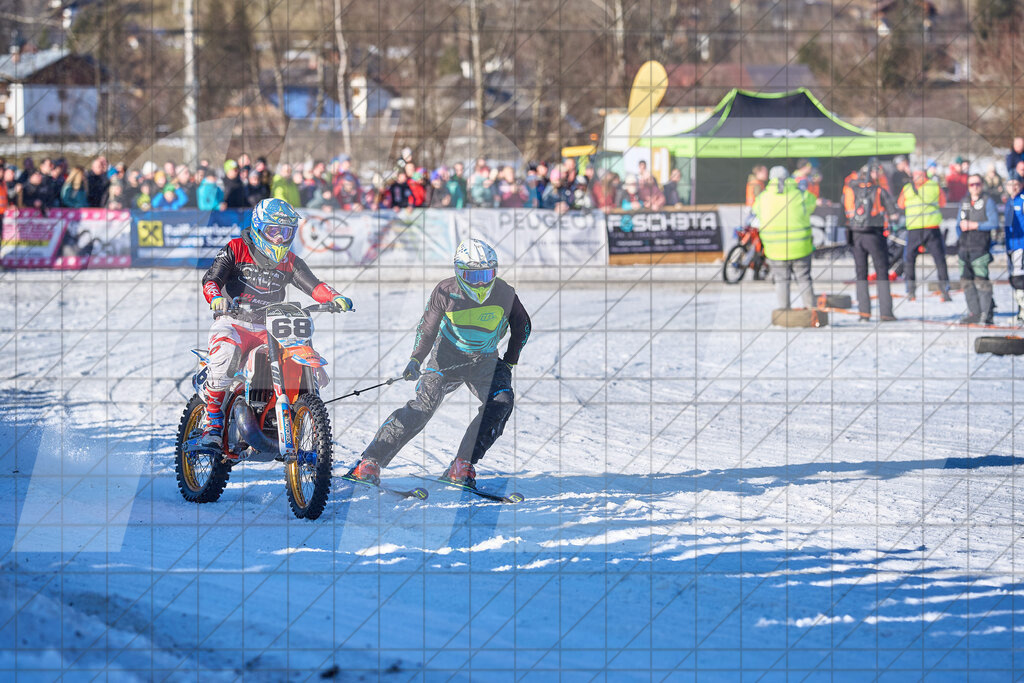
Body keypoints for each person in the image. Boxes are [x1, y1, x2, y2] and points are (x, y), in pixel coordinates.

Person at [347, 239, 531, 487]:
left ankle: (462, 464)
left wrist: (508, 363)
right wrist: (415, 359)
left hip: (485, 360)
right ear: (458, 272)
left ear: (495, 272)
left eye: (486, 275)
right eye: (471, 276)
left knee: (501, 402)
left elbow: (524, 327)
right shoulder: (446, 291)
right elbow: (428, 327)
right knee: (423, 407)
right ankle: (369, 461)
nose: (479, 283)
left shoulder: (505, 293)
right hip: (446, 358)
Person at [197, 198, 354, 451]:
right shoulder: (235, 248)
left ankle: (294, 414)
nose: (280, 238)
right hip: (233, 321)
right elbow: (211, 279)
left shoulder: (290, 260)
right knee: (226, 354)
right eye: (274, 231)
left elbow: (313, 285)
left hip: (269, 326)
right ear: (259, 228)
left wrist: (334, 297)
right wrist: (216, 298)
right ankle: (213, 419)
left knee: (300, 360)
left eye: (286, 232)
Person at [751, 166, 817, 310]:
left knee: (781, 280)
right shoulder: (801, 195)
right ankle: (813, 312)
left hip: (774, 249)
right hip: (800, 247)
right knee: (804, 278)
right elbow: (813, 203)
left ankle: (784, 312)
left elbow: (755, 211)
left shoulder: (763, 198)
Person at [843, 164, 898, 321]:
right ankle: (886, 313)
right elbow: (893, 213)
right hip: (874, 235)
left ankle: (864, 313)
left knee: (861, 275)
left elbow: (844, 212)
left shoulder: (849, 189)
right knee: (882, 273)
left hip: (856, 235)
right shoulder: (879, 190)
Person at [897, 168, 951, 301]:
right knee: (939, 259)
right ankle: (945, 290)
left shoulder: (907, 188)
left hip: (915, 229)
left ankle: (911, 291)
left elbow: (900, 204)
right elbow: (943, 202)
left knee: (909, 259)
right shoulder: (934, 186)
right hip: (931, 228)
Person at [956, 174, 998, 324]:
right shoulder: (964, 201)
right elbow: (957, 225)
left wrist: (976, 225)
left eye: (977, 184)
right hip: (964, 248)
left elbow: (994, 223)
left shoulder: (988, 202)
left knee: (982, 281)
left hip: (980, 248)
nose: (974, 187)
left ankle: (987, 314)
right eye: (971, 184)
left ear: (982, 184)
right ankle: (974, 313)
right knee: (966, 281)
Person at [1003, 174, 1024, 325]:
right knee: (1014, 279)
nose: (1013, 187)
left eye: (1016, 184)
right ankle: (1020, 311)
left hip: (1021, 245)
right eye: (1010, 184)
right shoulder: (1009, 202)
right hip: (1011, 246)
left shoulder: (1022, 200)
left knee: (1019, 278)